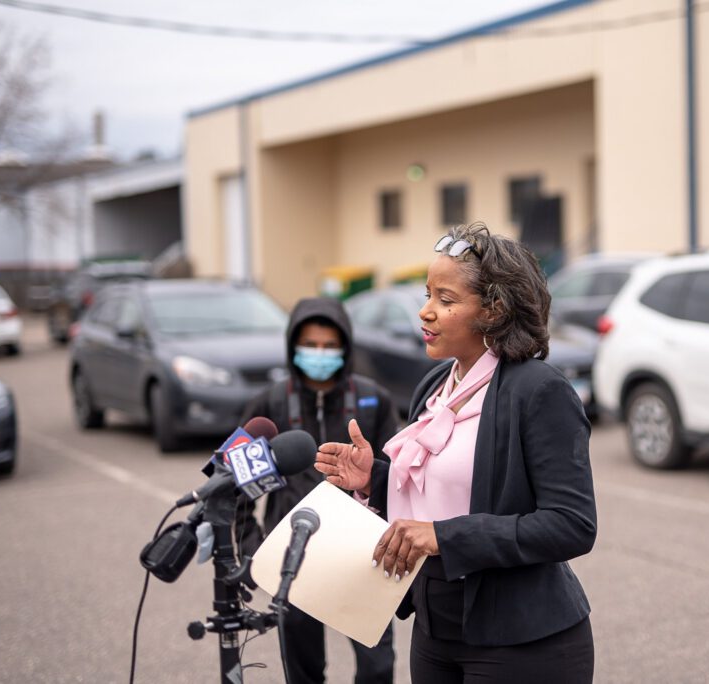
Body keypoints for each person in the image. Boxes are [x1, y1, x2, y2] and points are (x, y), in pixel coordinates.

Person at [315, 223, 597, 683]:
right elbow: (438, 497)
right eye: (428, 296)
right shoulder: (435, 386)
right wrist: (375, 480)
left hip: (521, 641)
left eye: (446, 301)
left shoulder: (539, 390)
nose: (425, 313)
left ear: (495, 310)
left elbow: (572, 525)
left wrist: (445, 537)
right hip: (435, 628)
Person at [235, 296, 399, 684]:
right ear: (293, 347)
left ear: (345, 347)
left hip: (363, 559)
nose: (319, 354)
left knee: (378, 668)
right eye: (310, 345)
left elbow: (396, 479)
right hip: (293, 560)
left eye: (329, 346)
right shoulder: (268, 403)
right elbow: (238, 488)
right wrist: (254, 549)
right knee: (303, 671)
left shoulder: (373, 399)